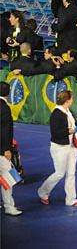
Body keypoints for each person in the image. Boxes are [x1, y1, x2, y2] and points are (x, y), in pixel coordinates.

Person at [38, 90, 77, 206]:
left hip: (71, 146)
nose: (73, 100)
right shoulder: (56, 114)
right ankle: (43, 192)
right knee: (59, 173)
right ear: (67, 100)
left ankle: (71, 199)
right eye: (72, 98)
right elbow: (56, 132)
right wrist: (69, 131)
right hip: (59, 147)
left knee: (71, 173)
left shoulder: (69, 111)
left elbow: (75, 126)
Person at [0, 82, 22, 216]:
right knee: (8, 177)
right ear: (8, 93)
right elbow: (5, 131)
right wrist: (7, 149)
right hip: (1, 150)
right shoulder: (5, 108)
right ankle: (9, 206)